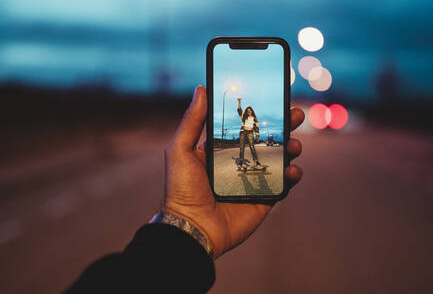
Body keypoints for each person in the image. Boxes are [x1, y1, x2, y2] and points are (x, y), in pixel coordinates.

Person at [65, 86, 304, 293]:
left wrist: (186, 229)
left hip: (249, 137)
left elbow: (255, 124)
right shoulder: (246, 117)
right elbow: (242, 115)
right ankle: (248, 160)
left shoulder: (253, 119)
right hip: (244, 137)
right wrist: (190, 222)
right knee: (245, 152)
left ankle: (252, 161)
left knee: (252, 153)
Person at [236, 98, 262, 170]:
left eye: (250, 111)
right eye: (247, 111)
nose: (249, 112)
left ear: (252, 111)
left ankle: (256, 161)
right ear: (246, 112)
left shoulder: (254, 118)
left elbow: (257, 127)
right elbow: (239, 110)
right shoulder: (243, 117)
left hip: (250, 132)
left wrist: (257, 134)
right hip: (243, 132)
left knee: (252, 147)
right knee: (242, 148)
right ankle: (241, 162)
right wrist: (239, 102)